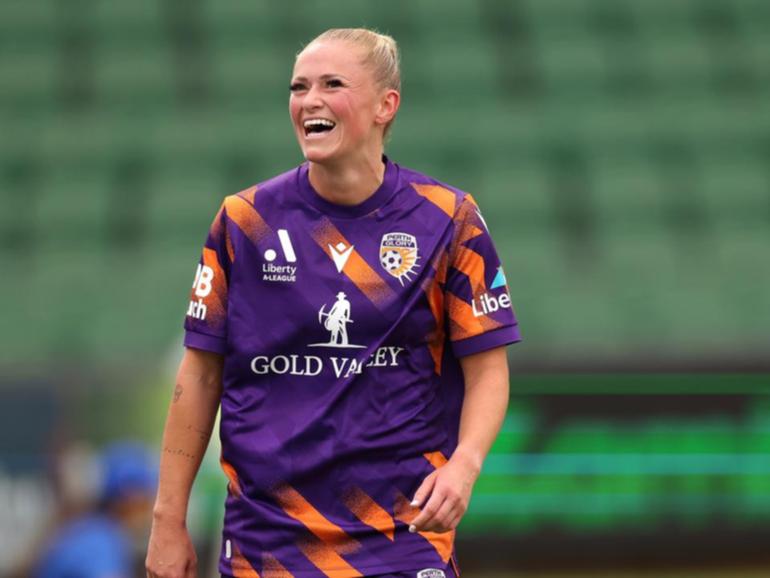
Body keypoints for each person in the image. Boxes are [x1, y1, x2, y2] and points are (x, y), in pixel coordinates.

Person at [146, 28, 521, 578]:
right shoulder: (243, 221)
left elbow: (488, 369)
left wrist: (465, 465)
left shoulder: (448, 219)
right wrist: (166, 519)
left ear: (384, 106)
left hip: (404, 530)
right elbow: (199, 377)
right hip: (268, 537)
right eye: (299, 87)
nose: (309, 101)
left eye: (332, 84)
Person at [34, 441, 158, 578]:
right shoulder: (100, 541)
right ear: (131, 498)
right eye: (147, 497)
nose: (152, 507)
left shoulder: (92, 530)